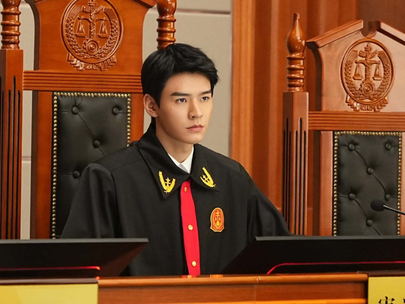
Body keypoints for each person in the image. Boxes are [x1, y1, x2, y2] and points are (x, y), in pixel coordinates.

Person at [61, 43, 289, 276]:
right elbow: (78, 274)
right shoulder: (109, 179)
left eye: (205, 98)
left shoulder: (232, 178)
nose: (196, 112)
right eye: (181, 100)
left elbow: (283, 256)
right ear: (152, 105)